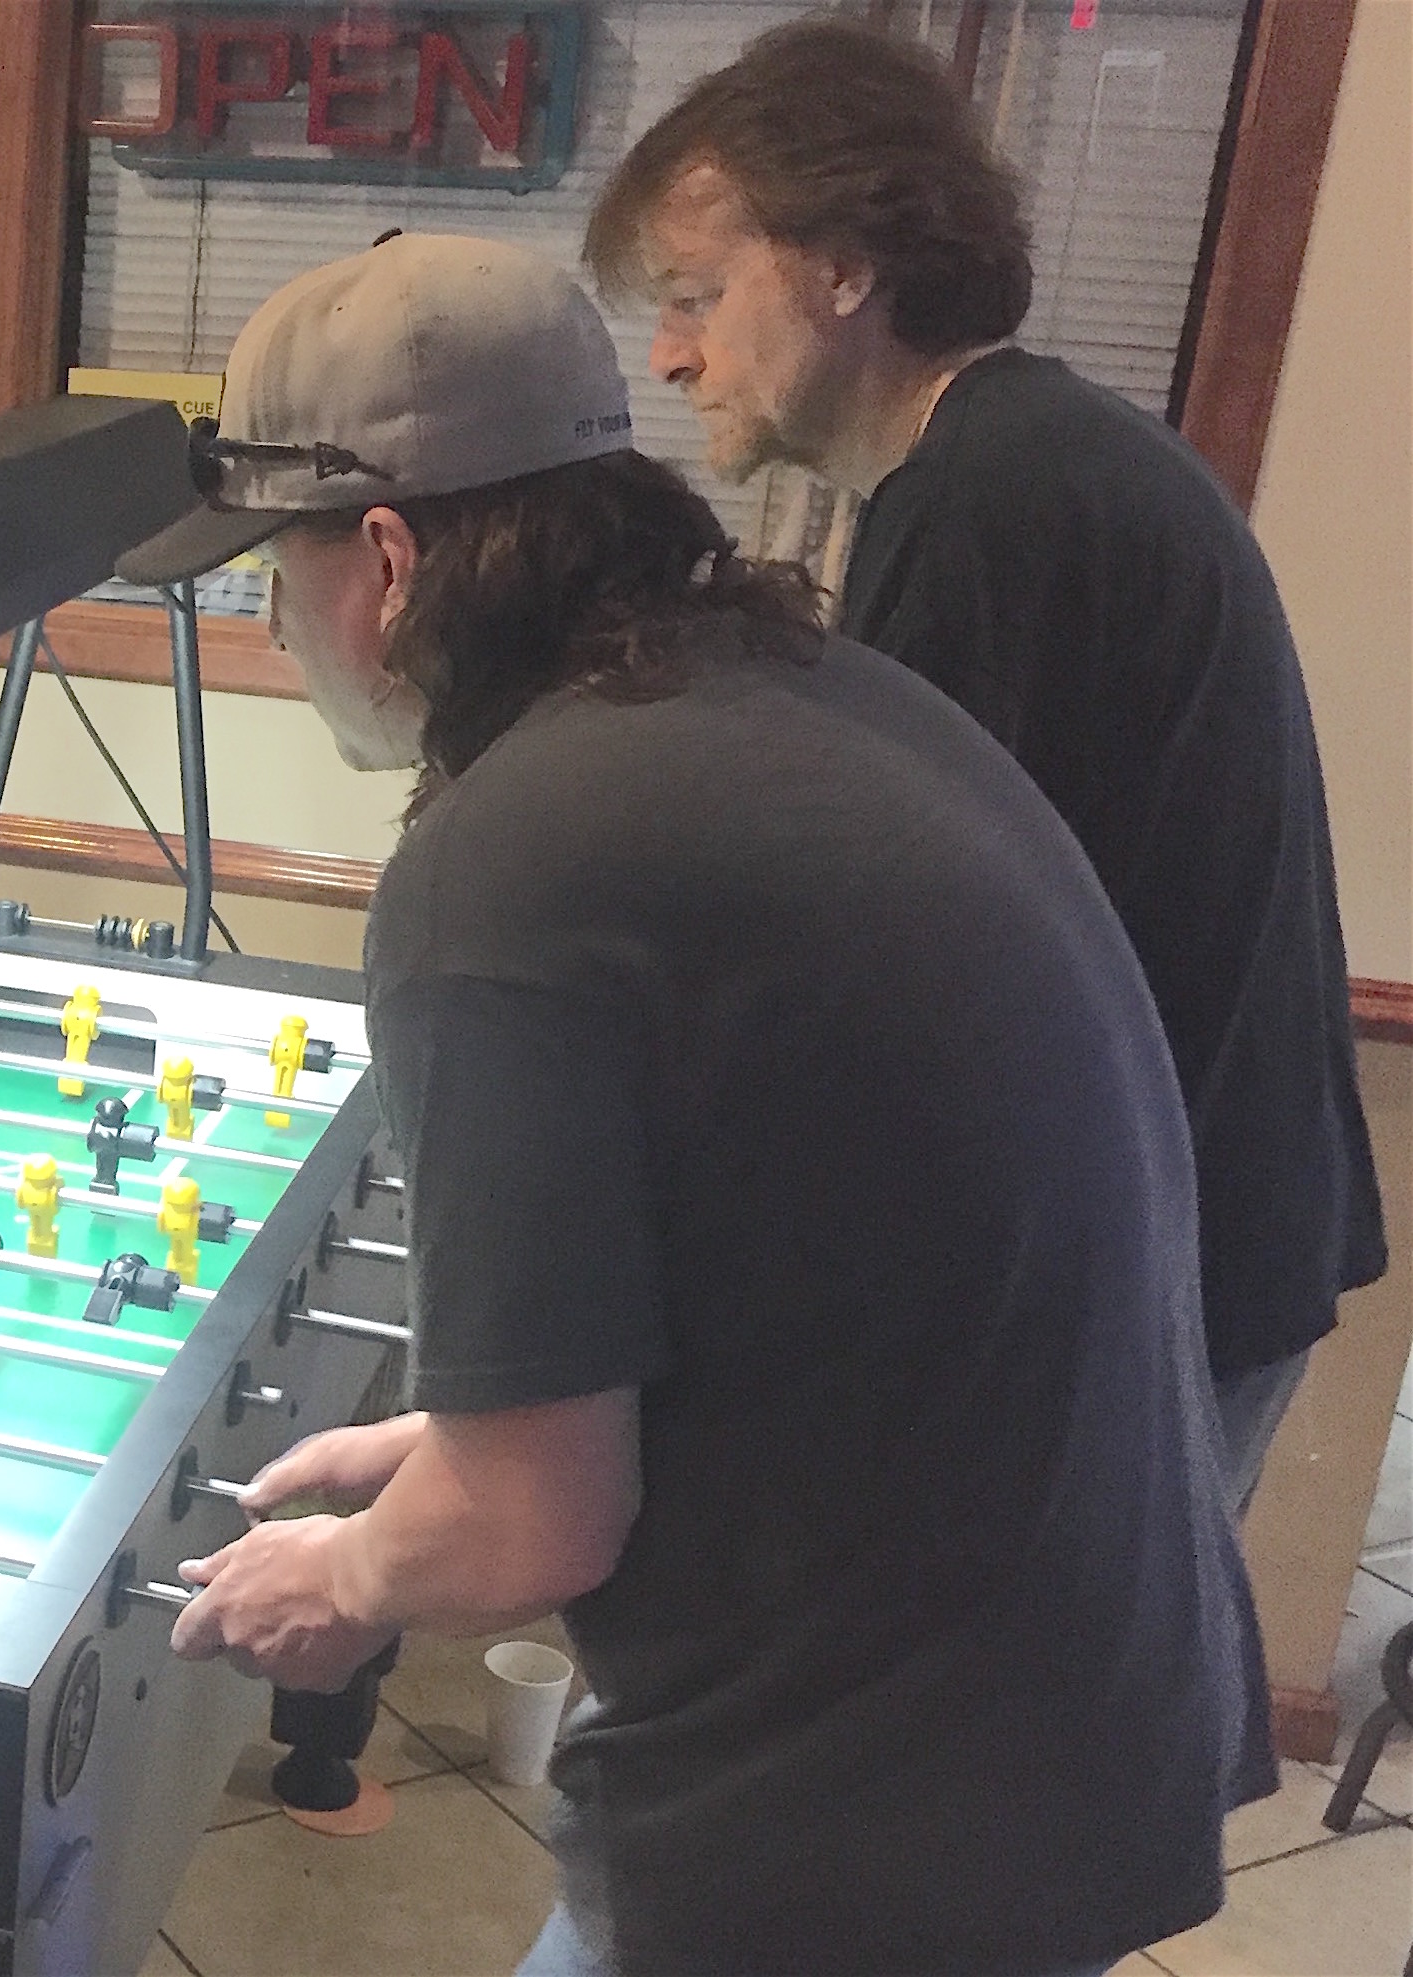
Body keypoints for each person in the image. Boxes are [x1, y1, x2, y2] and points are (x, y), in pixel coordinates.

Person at [136, 236, 1270, 1973]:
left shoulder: (505, 861)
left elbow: (532, 1523)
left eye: (263, 577)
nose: (271, 626)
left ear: (379, 560)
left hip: (876, 1790)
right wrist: (447, 1441)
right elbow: (774, 1253)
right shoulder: (783, 683)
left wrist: (355, 1571)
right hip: (1069, 1684)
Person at [584, 16, 1383, 1514]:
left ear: (839, 266)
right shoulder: (1022, 457)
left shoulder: (984, 505)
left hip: (1165, 1264)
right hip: (1208, 1227)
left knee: (1050, 1734)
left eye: (694, 295)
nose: (670, 352)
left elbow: (904, 970)